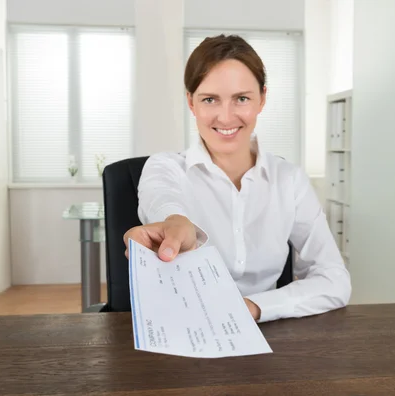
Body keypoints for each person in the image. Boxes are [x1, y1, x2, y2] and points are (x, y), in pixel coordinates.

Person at [124, 34, 351, 323]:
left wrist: (253, 307)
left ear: (262, 99)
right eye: (210, 100)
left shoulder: (289, 180)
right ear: (191, 103)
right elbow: (162, 199)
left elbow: (334, 279)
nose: (226, 117)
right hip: (182, 328)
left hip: (264, 334)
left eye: (241, 98)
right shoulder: (165, 167)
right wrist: (176, 222)